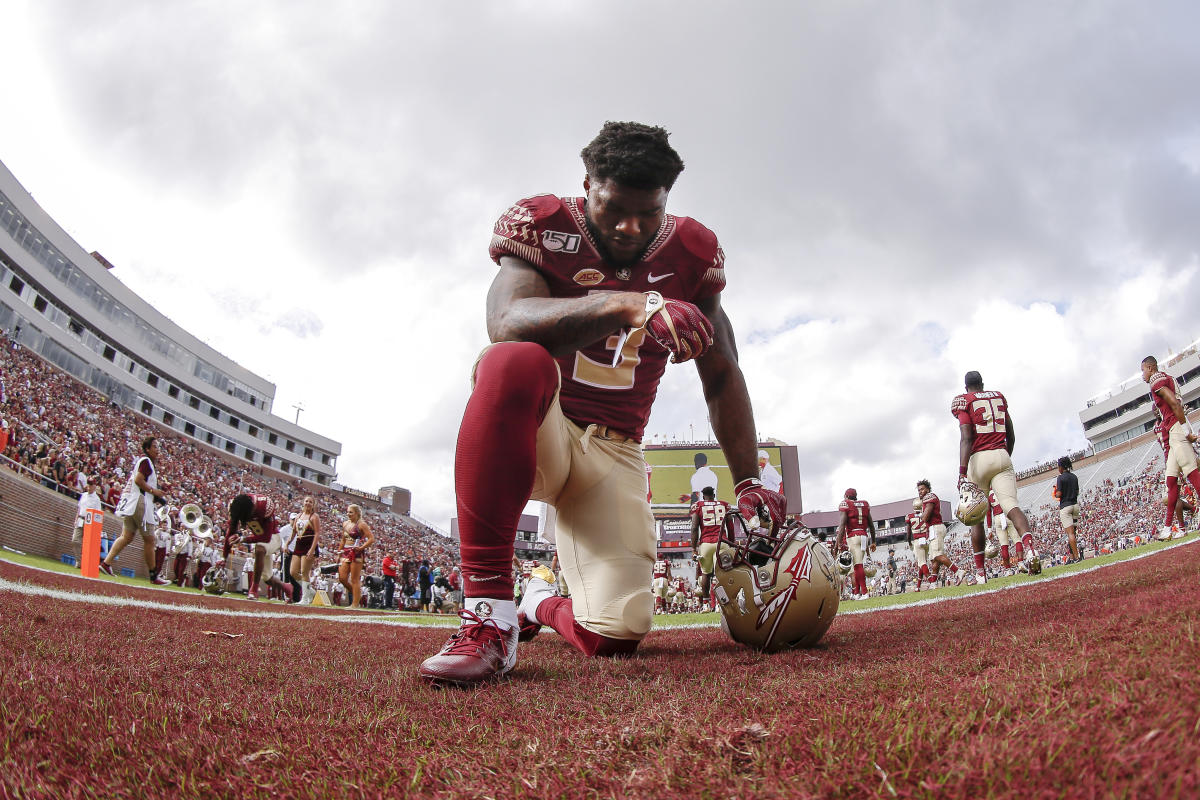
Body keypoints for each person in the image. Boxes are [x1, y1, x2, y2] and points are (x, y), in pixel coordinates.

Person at [419, 121, 785, 686]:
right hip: (543, 426)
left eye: (648, 214)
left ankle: (537, 601)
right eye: (613, 208)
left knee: (616, 633)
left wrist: (748, 481)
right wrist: (628, 304)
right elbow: (506, 322)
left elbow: (722, 373)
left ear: (667, 202)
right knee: (513, 361)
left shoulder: (691, 250)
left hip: (615, 455)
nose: (629, 227)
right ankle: (487, 614)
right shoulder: (543, 224)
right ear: (586, 183)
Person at [952, 371, 1040, 575]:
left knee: (976, 517)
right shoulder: (998, 397)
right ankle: (1030, 549)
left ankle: (981, 572)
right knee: (1012, 506)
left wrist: (962, 473)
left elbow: (966, 437)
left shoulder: (964, 400)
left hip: (979, 458)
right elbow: (1011, 434)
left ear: (966, 388)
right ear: (982, 384)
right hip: (1002, 453)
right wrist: (1004, 456)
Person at [1142, 356, 1200, 540]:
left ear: (1150, 368)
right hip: (1174, 431)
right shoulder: (1164, 377)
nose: (1142, 374)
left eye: (1143, 370)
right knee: (1171, 481)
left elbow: (1174, 403)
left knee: (1192, 474)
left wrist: (1185, 431)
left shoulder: (1156, 380)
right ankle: (1169, 528)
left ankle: (1174, 527)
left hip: (1176, 429)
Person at [101, 436, 169, 584]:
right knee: (150, 539)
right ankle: (153, 575)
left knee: (126, 536)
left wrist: (158, 497)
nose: (158, 450)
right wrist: (154, 491)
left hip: (134, 502)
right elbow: (139, 480)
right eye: (155, 447)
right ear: (147, 449)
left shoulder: (146, 463)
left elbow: (140, 484)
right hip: (140, 503)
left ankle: (106, 563)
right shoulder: (146, 462)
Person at [225, 493, 293, 602]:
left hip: (273, 537)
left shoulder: (263, 505)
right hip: (260, 539)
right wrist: (224, 558)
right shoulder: (237, 506)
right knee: (267, 578)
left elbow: (265, 537)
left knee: (259, 548)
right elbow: (230, 532)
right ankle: (287, 588)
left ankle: (253, 590)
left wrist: (244, 539)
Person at [834, 488, 876, 600]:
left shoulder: (846, 504)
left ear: (846, 496)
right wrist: (874, 541)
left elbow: (842, 525)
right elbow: (871, 525)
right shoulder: (865, 504)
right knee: (857, 565)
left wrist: (838, 544)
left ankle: (865, 592)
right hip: (864, 536)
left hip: (853, 537)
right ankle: (857, 592)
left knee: (858, 566)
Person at [917, 480, 959, 585]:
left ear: (928, 489)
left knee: (937, 555)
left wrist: (921, 516)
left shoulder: (929, 497)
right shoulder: (928, 499)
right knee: (933, 559)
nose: (920, 492)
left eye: (922, 489)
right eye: (918, 490)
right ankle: (933, 583)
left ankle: (958, 572)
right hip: (933, 528)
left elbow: (926, 517)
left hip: (935, 527)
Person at [689, 486, 727, 600]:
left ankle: (706, 603)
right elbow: (730, 526)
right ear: (714, 495)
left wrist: (694, 548)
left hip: (706, 544)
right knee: (723, 574)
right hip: (722, 542)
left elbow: (694, 528)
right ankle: (723, 602)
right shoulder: (724, 504)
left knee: (705, 574)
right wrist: (732, 543)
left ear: (703, 496)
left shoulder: (699, 506)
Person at [337, 504, 374, 609]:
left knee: (354, 579)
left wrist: (361, 547)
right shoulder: (345, 523)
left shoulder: (362, 524)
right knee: (342, 578)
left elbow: (371, 538)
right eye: (348, 512)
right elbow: (343, 540)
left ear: (357, 513)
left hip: (356, 552)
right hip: (345, 551)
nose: (348, 514)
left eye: (351, 512)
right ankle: (357, 594)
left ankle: (355, 603)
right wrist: (339, 552)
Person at [290, 496, 321, 603]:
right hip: (298, 545)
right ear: (303, 503)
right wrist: (287, 544)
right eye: (306, 501)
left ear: (313, 505)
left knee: (304, 572)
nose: (308, 503)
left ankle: (305, 598)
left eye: (310, 502)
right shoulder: (298, 516)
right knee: (293, 572)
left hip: (309, 545)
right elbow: (294, 531)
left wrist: (312, 550)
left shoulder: (314, 517)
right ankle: (310, 591)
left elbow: (317, 533)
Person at [71, 475, 103, 568]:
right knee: (75, 540)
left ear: (94, 486)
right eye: (88, 485)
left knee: (88, 544)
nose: (89, 487)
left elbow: (98, 514)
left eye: (91, 485)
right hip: (80, 519)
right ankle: (79, 561)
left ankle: (87, 562)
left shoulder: (97, 499)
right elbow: (79, 508)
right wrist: (76, 519)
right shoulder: (84, 495)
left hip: (90, 522)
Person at [1056, 456, 1082, 562]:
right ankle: (1072, 557)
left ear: (1061, 467)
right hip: (1075, 506)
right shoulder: (1074, 476)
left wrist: (1055, 493)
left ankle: (1076, 557)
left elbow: (1059, 494)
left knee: (1070, 534)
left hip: (1065, 507)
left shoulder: (1060, 478)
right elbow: (1077, 492)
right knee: (1073, 533)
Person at [905, 499, 932, 591]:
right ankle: (918, 586)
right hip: (926, 539)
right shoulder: (926, 514)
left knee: (922, 563)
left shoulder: (910, 516)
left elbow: (908, 532)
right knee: (923, 563)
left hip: (917, 541)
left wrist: (909, 542)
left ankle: (932, 581)